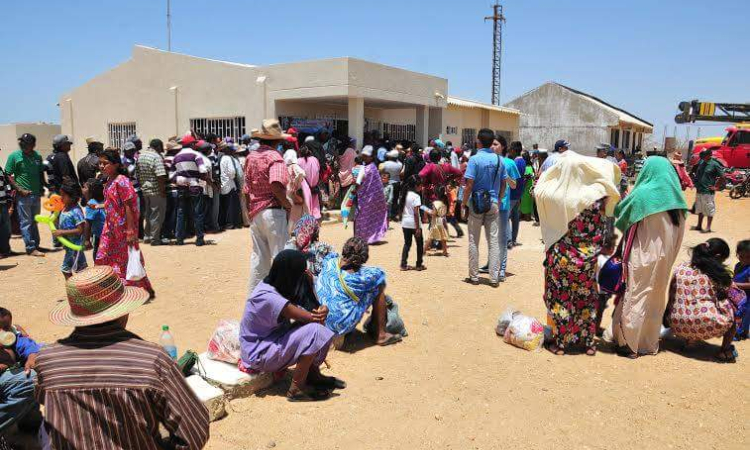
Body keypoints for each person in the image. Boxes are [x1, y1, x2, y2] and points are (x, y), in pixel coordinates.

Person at [36, 266, 210, 448]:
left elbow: (43, 399)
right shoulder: (152, 361)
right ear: (124, 310)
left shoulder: (47, 361)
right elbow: (194, 432)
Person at [535, 149, 621, 355]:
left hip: (560, 258)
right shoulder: (597, 197)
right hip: (587, 258)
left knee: (561, 300)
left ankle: (561, 345)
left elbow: (539, 191)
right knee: (586, 301)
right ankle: (589, 344)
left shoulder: (555, 195)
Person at [609, 156, 687, 358]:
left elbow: (621, 214)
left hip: (642, 255)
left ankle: (628, 344)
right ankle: (648, 343)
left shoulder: (643, 194)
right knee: (655, 297)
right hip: (665, 258)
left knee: (636, 295)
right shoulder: (677, 200)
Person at [240, 250, 342, 402]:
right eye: (301, 272)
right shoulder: (268, 297)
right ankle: (296, 388)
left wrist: (320, 306)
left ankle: (312, 376)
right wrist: (322, 310)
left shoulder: (280, 284)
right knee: (316, 331)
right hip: (259, 352)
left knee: (319, 327)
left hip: (273, 339)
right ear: (290, 273)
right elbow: (312, 317)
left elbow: (312, 309)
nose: (305, 273)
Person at [316, 237, 402, 345]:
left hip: (319, 320)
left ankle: (374, 327)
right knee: (377, 286)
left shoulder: (330, 261)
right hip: (337, 328)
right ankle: (381, 335)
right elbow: (380, 274)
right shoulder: (359, 278)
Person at [665, 238, 737, 363]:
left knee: (689, 303)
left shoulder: (681, 268)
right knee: (733, 310)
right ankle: (724, 351)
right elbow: (726, 293)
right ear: (718, 256)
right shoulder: (714, 274)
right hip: (700, 324)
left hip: (675, 323)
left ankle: (689, 341)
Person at [95, 149, 155, 298]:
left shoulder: (122, 181)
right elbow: (114, 203)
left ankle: (137, 290)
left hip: (123, 229)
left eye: (105, 163)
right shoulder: (109, 181)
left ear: (115, 164)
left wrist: (130, 230)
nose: (102, 166)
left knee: (126, 260)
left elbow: (129, 205)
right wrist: (100, 206)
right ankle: (113, 289)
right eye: (100, 163)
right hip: (110, 227)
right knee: (103, 256)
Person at [244, 120, 292, 294]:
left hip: (256, 212)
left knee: (259, 258)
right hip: (272, 210)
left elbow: (246, 189)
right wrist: (287, 205)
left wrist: (249, 212)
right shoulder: (275, 157)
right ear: (277, 140)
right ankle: (283, 299)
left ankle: (255, 297)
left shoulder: (251, 157)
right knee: (282, 257)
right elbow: (276, 185)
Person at [462, 129, 507, 287]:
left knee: (474, 239)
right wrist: (499, 199)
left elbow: (469, 185)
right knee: (493, 241)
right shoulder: (499, 160)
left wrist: (463, 203)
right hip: (493, 202)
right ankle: (494, 278)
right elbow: (504, 183)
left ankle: (474, 276)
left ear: (478, 142)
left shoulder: (474, 159)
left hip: (476, 202)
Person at [0, 307, 41, 434]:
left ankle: (28, 425)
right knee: (30, 380)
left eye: (6, 328)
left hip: (10, 376)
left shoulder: (13, 338)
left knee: (46, 355)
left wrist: (32, 357)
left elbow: (28, 345)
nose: (3, 332)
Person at [5, 133, 45, 256]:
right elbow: (7, 174)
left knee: (34, 221)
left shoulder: (37, 156)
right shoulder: (14, 156)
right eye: (21, 143)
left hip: (36, 194)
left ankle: (36, 245)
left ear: (32, 145)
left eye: (25, 143)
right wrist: (19, 189)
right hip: (23, 195)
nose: (22, 145)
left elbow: (40, 173)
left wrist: (42, 186)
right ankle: (30, 248)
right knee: (26, 222)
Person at [173, 135, 209, 246]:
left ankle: (179, 239)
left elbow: (171, 175)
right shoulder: (196, 155)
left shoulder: (176, 157)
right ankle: (199, 239)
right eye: (194, 143)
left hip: (181, 188)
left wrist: (181, 180)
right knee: (197, 213)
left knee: (181, 213)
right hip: (195, 186)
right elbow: (203, 170)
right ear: (192, 144)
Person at [353, 146, 388, 244]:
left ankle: (360, 238)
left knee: (361, 219)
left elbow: (358, 183)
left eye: (365, 156)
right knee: (372, 219)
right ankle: (372, 237)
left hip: (364, 199)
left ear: (371, 157)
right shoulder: (374, 168)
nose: (364, 157)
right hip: (375, 200)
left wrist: (354, 191)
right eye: (363, 155)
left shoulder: (364, 169)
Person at [136, 138, 168, 245]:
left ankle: (147, 236)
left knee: (148, 213)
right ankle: (155, 239)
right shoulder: (156, 157)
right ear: (158, 147)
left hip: (145, 190)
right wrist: (162, 190)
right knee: (157, 214)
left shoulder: (141, 156)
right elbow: (160, 176)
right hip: (156, 190)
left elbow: (138, 174)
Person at [55, 181, 87, 279]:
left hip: (74, 246)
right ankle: (80, 290)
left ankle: (75, 291)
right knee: (80, 269)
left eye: (63, 195)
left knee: (66, 269)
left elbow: (80, 230)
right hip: (68, 245)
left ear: (72, 197)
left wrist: (62, 232)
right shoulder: (64, 208)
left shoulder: (76, 211)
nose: (61, 198)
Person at [692, 149, 724, 233]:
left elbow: (723, 177)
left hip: (708, 191)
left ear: (709, 155)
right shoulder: (701, 162)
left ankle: (708, 227)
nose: (702, 156)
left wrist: (716, 187)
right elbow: (697, 174)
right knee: (700, 208)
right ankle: (699, 225)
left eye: (704, 155)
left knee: (709, 208)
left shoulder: (714, 164)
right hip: (700, 190)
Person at [399, 175, 425, 271]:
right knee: (419, 244)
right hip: (414, 223)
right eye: (420, 185)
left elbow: (402, 209)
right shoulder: (416, 196)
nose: (421, 187)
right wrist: (417, 227)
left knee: (407, 244)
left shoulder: (405, 194)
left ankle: (403, 264)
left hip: (405, 223)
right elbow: (415, 213)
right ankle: (418, 264)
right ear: (416, 185)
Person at [218, 144, 243, 229]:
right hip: (230, 184)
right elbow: (232, 172)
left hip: (223, 184)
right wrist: (234, 178)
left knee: (225, 205)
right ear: (226, 150)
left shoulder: (221, 158)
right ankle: (231, 223)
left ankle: (226, 223)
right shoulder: (228, 158)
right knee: (231, 206)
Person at [507, 141, 526, 248]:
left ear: (513, 150)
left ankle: (509, 240)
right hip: (518, 193)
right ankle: (513, 239)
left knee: (505, 217)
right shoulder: (522, 161)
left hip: (513, 193)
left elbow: (514, 180)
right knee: (515, 217)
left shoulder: (516, 163)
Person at [298, 143, 322, 220]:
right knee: (315, 210)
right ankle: (314, 227)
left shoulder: (298, 161)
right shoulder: (315, 159)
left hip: (304, 189)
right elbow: (318, 171)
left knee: (306, 210)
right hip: (314, 187)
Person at [82, 178, 105, 260]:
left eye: (85, 188)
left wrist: (87, 240)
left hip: (100, 235)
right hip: (108, 234)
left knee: (97, 255)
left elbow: (88, 223)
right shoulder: (103, 200)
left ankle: (98, 269)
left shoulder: (91, 203)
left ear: (91, 191)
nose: (82, 189)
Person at [733, 240, 750, 340]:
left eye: (748, 257)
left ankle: (741, 333)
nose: (744, 259)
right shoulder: (738, 266)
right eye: (741, 256)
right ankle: (741, 332)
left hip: (747, 298)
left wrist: (736, 284)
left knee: (744, 315)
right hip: (738, 296)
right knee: (737, 313)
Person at [427, 186, 450, 257]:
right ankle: (445, 251)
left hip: (436, 220)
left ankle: (425, 249)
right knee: (443, 237)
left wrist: (427, 211)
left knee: (430, 236)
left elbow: (434, 213)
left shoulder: (436, 202)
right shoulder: (445, 199)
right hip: (443, 219)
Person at [381, 149, 403, 219]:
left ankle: (386, 215)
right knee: (395, 200)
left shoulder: (385, 163)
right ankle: (393, 214)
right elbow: (401, 173)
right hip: (397, 183)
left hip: (387, 183)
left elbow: (382, 172)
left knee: (386, 199)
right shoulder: (400, 164)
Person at [519, 151, 535, 221]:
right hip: (530, 188)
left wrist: (521, 188)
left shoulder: (526, 168)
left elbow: (525, 179)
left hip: (526, 189)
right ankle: (526, 216)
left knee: (525, 203)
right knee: (528, 203)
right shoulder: (531, 167)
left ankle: (527, 217)